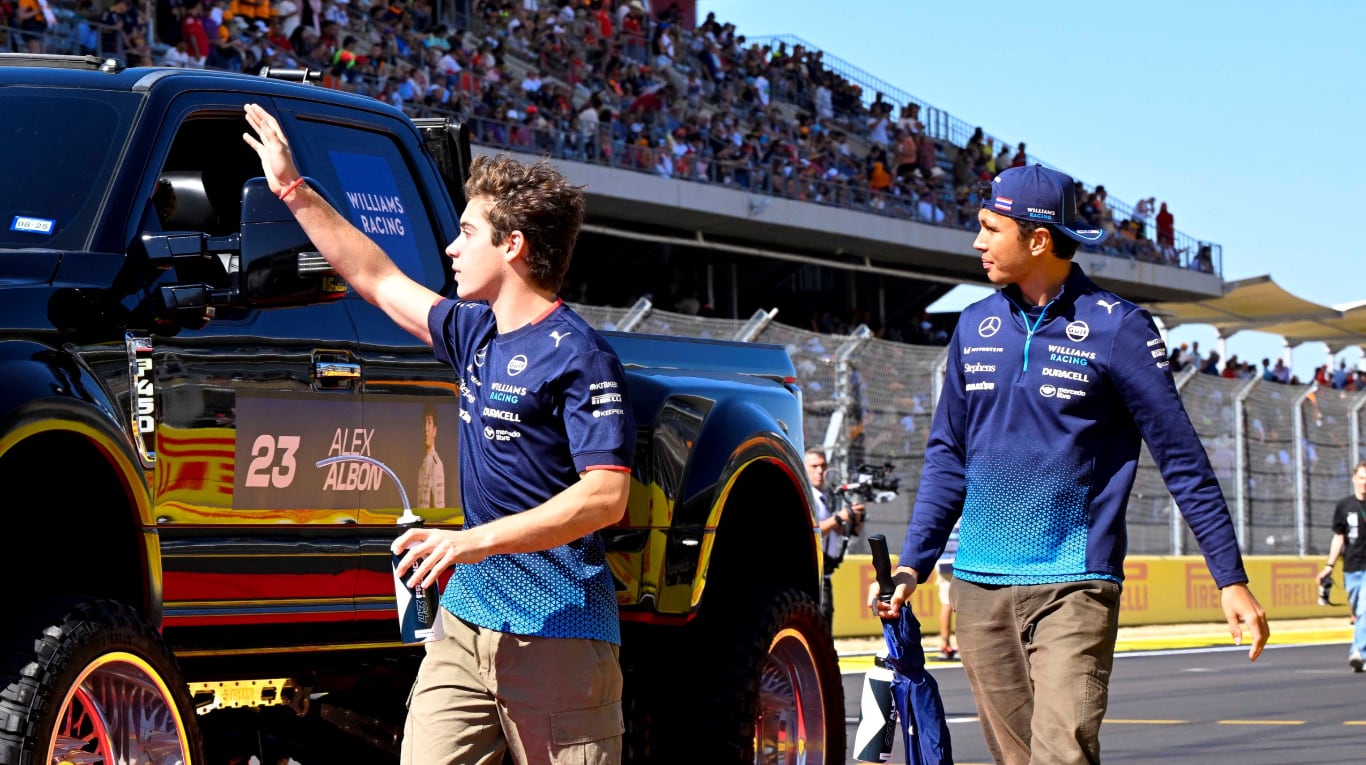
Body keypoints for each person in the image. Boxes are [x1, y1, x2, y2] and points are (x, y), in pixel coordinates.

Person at [243, 103, 637, 764]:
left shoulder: (580, 354)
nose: (450, 248)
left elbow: (605, 498)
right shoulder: (473, 331)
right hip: (464, 627)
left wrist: (471, 541)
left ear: (512, 246)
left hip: (560, 632)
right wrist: (292, 189)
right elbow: (374, 275)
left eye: (466, 233)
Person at [868, 164, 1268, 765]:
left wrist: (1228, 577)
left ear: (1038, 238)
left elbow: (1181, 459)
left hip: (1074, 585)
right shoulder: (974, 324)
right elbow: (947, 456)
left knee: (1061, 756)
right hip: (978, 588)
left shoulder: (1119, 327)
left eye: (989, 228)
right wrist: (912, 567)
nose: (977, 242)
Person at [805, 447, 865, 628]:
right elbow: (812, 532)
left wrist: (856, 518)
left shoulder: (825, 498)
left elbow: (847, 532)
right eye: (814, 466)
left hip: (825, 573)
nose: (820, 471)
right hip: (812, 575)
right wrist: (839, 517)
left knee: (824, 629)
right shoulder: (807, 496)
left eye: (823, 466)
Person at [1316, 461, 1366, 672]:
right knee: (1358, 612)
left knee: (1365, 610)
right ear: (1354, 479)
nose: (1365, 483)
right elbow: (1339, 538)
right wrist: (1329, 565)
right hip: (1351, 568)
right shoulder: (1344, 506)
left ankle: (1358, 652)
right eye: (1362, 477)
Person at [934, 521, 960, 660]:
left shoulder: (945, 513)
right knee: (962, 604)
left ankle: (944, 643)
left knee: (946, 603)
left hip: (942, 560)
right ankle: (961, 645)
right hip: (959, 561)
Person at [414, 402, 445, 509]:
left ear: (435, 430)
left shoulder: (436, 464)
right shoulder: (421, 466)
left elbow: (439, 506)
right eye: (424, 423)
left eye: (429, 422)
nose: (426, 428)